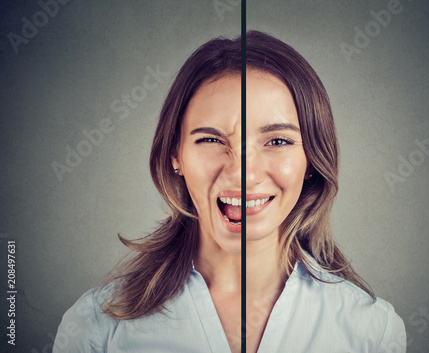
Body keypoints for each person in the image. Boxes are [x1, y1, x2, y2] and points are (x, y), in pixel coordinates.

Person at [54, 30, 406, 353]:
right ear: (175, 154)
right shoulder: (95, 328)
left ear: (312, 158)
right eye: (210, 139)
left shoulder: (371, 332)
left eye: (278, 141)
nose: (242, 174)